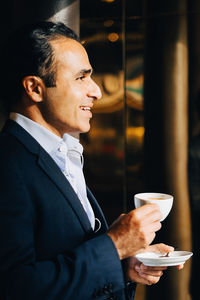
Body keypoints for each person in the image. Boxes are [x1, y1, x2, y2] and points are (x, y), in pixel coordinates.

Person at [0, 21, 182, 300]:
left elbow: (61, 260)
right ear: (34, 89)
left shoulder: (60, 153)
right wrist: (115, 245)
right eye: (81, 78)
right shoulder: (9, 164)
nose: (96, 91)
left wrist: (122, 265)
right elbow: (16, 287)